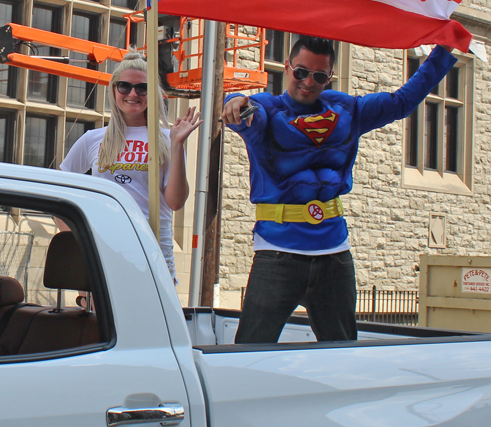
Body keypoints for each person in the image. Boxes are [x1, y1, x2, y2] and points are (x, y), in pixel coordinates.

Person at [222, 36, 457, 343]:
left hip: (333, 252)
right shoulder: (268, 108)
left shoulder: (348, 110)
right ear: (288, 68)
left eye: (319, 76)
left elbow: (402, 102)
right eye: (301, 72)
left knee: (344, 351)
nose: (308, 82)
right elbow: (248, 112)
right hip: (278, 250)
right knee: (250, 351)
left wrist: (443, 52)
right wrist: (236, 101)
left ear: (329, 78)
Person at [61, 51, 201, 283]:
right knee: (101, 316)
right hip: (104, 242)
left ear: (152, 93)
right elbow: (61, 189)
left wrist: (177, 145)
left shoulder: (168, 138)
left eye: (142, 88)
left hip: (152, 242)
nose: (133, 94)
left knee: (151, 317)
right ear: (114, 90)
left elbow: (175, 202)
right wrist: (75, 237)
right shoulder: (93, 139)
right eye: (124, 86)